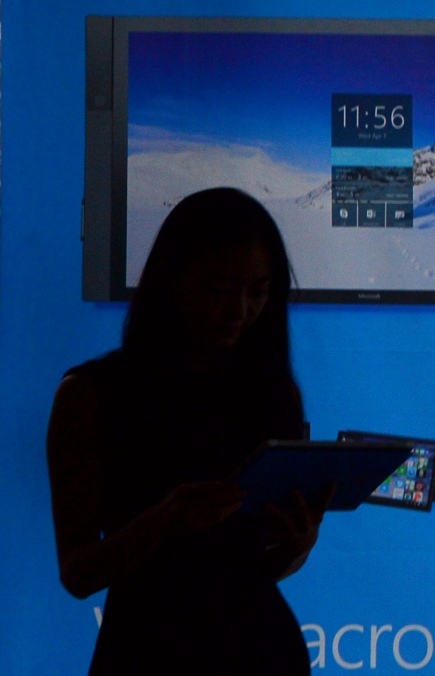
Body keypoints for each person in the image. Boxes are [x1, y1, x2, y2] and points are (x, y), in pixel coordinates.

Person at [46, 187, 330, 674]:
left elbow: (254, 569)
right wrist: (162, 521)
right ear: (171, 278)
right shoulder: (90, 396)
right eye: (220, 288)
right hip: (145, 653)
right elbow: (78, 573)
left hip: (263, 651)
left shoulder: (274, 394)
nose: (239, 310)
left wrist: (297, 545)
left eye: (258, 291)